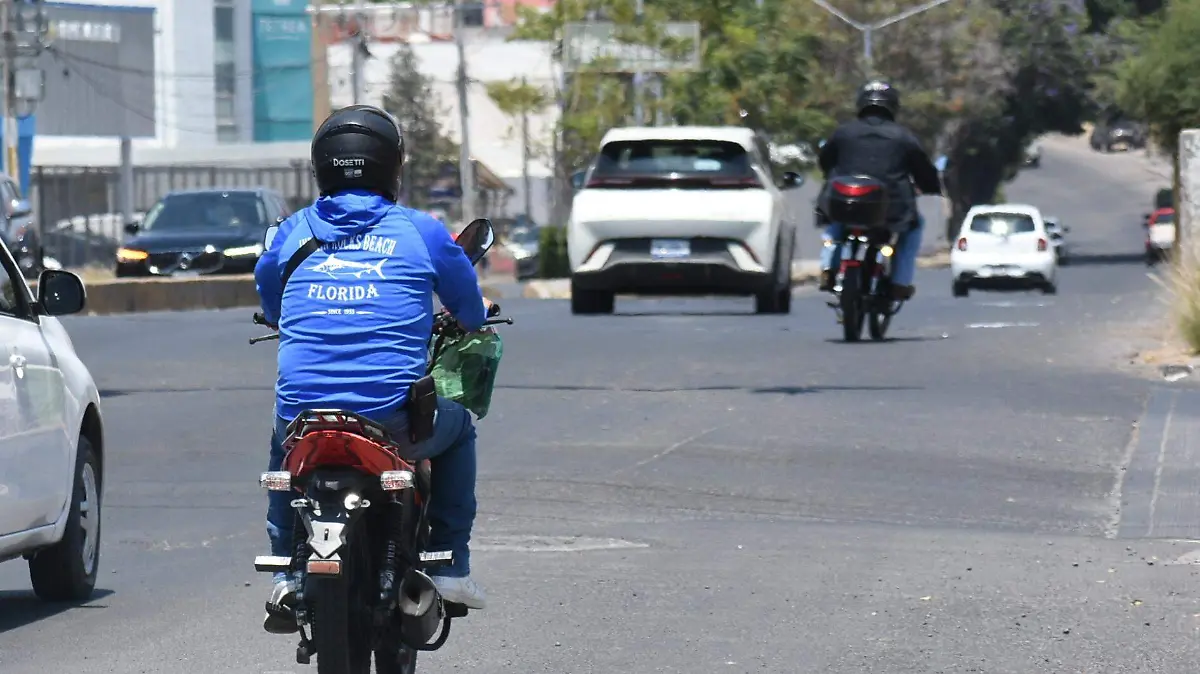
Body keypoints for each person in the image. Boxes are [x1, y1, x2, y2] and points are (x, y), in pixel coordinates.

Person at [254, 104, 492, 635]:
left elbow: (272, 304)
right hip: (393, 420)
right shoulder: (424, 233)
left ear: (323, 167)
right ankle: (450, 563)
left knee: (281, 434)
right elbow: (471, 312)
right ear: (393, 167)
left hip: (305, 418)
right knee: (459, 430)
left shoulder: (291, 232)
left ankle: (286, 572)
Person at [816, 80, 943, 300]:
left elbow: (825, 160)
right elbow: (924, 170)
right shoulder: (904, 137)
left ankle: (828, 267)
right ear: (893, 106)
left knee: (835, 223)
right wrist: (931, 187)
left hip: (844, 204)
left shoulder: (843, 133)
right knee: (914, 227)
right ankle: (900, 282)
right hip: (891, 210)